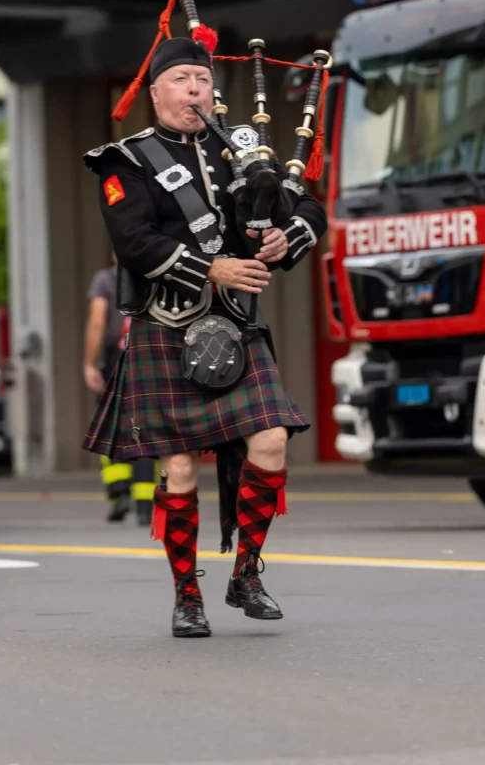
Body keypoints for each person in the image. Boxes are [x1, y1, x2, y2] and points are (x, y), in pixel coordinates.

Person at [82, 35, 326, 638]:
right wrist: (210, 267)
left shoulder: (239, 153)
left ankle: (247, 571)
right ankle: (187, 594)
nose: (196, 90)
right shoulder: (126, 161)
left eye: (203, 80)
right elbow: (134, 241)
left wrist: (284, 237)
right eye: (183, 79)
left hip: (234, 328)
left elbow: (308, 208)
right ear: (155, 91)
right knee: (180, 467)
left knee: (271, 438)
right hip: (167, 326)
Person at [84, 253, 155, 525]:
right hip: (149, 357)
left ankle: (119, 493)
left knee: (112, 426)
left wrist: (90, 363)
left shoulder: (105, 279)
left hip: (116, 359)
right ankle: (145, 505)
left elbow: (97, 322)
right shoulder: (155, 272)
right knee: (148, 429)